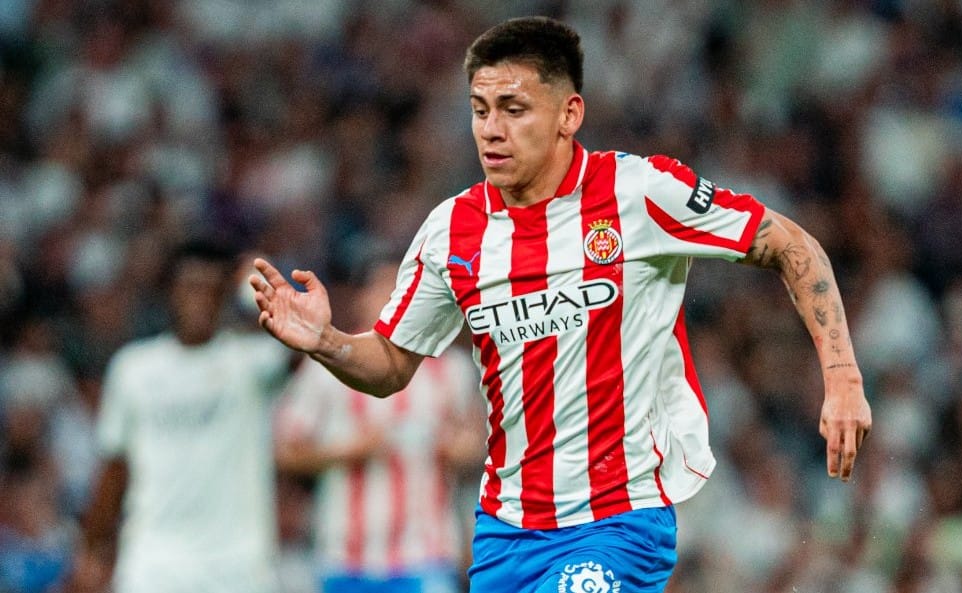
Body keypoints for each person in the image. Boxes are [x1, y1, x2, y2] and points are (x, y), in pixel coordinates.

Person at [249, 16, 872, 593]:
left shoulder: (638, 192)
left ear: (569, 113)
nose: (491, 130)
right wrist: (328, 341)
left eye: (514, 109)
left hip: (618, 520)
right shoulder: (451, 231)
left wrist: (842, 377)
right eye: (480, 110)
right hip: (505, 532)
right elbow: (391, 364)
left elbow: (791, 244)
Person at [73, 240, 294, 593]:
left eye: (212, 289)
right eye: (191, 287)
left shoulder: (250, 363)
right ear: (169, 292)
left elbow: (304, 345)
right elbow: (115, 467)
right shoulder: (134, 369)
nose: (201, 300)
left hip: (238, 566)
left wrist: (250, 285)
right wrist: (91, 549)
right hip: (155, 563)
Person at [274, 257, 483, 593]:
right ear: (361, 297)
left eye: (401, 289)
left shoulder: (450, 369)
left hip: (426, 552)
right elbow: (286, 452)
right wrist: (347, 451)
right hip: (346, 556)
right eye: (383, 289)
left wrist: (459, 449)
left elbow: (477, 445)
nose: (393, 298)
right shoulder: (328, 365)